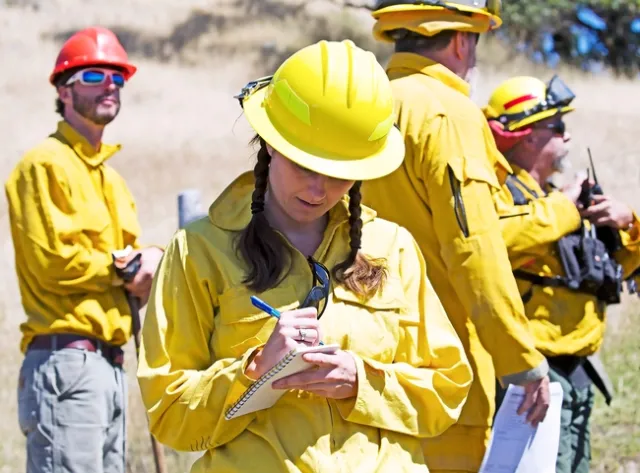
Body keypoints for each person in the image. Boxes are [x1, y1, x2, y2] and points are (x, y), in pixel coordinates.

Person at [136, 39, 473, 473]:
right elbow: (170, 416)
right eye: (305, 165)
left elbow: (446, 389)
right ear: (271, 143)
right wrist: (257, 368)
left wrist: (360, 382)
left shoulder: (394, 247)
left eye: (340, 174)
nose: (319, 190)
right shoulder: (199, 250)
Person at [360, 2, 551, 472]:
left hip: (359, 370)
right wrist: (522, 362)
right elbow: (474, 250)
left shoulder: (364, 104)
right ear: (462, 40)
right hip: (442, 378)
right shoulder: (448, 113)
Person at [6, 26, 164, 473]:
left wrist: (149, 264)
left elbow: (134, 267)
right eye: (93, 76)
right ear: (63, 88)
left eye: (117, 76)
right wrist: (130, 267)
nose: (109, 84)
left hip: (111, 366)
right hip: (66, 363)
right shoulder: (43, 165)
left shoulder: (112, 181)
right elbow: (53, 263)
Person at [484, 74, 640, 473]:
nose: (567, 139)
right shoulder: (496, 193)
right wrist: (567, 207)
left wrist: (628, 225)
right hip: (531, 372)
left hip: (578, 370)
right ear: (527, 135)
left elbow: (605, 272)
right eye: (559, 127)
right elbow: (493, 243)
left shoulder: (554, 200)